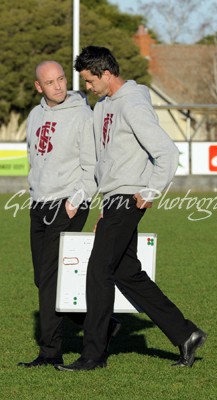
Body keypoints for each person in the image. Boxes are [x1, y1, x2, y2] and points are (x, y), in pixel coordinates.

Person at [56, 46, 207, 372]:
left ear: (106, 74)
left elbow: (167, 152)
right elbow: (106, 164)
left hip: (129, 198)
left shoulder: (134, 103)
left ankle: (93, 355)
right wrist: (102, 209)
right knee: (127, 273)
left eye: (89, 81)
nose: (87, 87)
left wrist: (150, 188)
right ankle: (185, 333)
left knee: (98, 271)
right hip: (114, 201)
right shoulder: (103, 107)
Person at [18, 60, 120, 368]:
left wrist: (75, 201)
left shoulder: (82, 114)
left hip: (68, 202)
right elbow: (34, 157)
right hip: (39, 203)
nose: (59, 86)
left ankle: (51, 352)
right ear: (39, 87)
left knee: (49, 278)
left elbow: (92, 165)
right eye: (50, 83)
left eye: (62, 79)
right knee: (43, 278)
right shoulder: (35, 115)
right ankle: (101, 321)